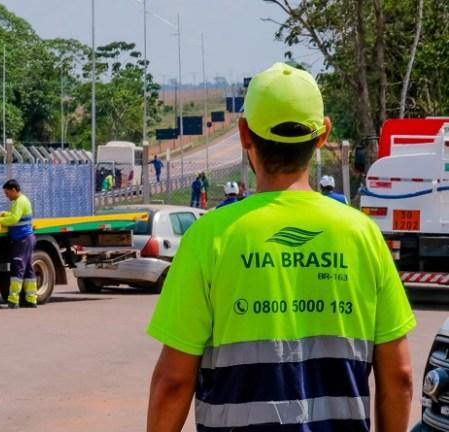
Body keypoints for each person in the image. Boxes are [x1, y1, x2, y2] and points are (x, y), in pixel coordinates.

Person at [147, 63, 415, 431]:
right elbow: (399, 377)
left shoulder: (209, 237)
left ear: (244, 134)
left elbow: (173, 382)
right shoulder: (363, 235)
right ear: (323, 135)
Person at [0, 179, 37, 309]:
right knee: (28, 269)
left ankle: (13, 301)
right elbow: (15, 215)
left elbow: (14, 219)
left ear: (13, 190)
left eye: (7, 193)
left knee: (18, 268)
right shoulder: (21, 201)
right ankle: (31, 299)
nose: (6, 195)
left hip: (22, 239)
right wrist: (5, 213)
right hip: (26, 238)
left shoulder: (20, 201)